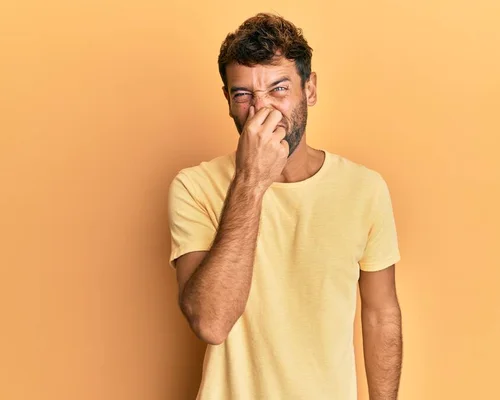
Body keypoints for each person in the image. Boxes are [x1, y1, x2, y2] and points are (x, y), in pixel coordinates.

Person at [168, 13, 402, 400]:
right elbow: (210, 322)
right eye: (243, 94)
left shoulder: (364, 189)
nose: (263, 111)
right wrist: (252, 180)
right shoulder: (194, 187)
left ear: (309, 89)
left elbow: (382, 313)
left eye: (279, 89)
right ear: (227, 100)